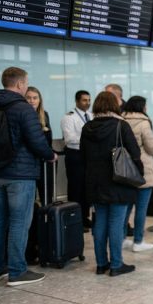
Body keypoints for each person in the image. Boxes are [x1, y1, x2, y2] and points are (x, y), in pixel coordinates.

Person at [0, 67, 57, 286]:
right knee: (20, 222)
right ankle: (17, 271)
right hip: (20, 174)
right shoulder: (23, 109)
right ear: (21, 84)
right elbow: (37, 141)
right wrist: (50, 155)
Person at [80, 92, 142, 276]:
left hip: (95, 181)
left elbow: (82, 155)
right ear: (114, 105)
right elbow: (135, 153)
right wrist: (138, 173)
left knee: (100, 221)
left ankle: (101, 263)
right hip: (118, 180)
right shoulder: (120, 125)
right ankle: (116, 264)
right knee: (116, 222)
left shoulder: (87, 127)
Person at [121, 96, 153, 252]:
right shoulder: (143, 123)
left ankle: (122, 238)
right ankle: (138, 241)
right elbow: (151, 148)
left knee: (126, 207)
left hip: (125, 168)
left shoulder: (121, 120)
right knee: (141, 208)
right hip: (143, 168)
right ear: (142, 107)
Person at [60, 90, 93, 230]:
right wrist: (88, 139)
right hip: (75, 155)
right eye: (85, 100)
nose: (88, 103)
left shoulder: (91, 116)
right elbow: (69, 139)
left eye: (89, 100)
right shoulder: (69, 117)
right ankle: (75, 219)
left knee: (86, 188)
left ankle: (85, 217)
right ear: (77, 101)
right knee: (76, 188)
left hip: (88, 155)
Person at [25, 86, 54, 206]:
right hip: (29, 162)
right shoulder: (23, 115)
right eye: (29, 98)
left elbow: (48, 139)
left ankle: (45, 221)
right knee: (29, 198)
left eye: (35, 98)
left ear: (39, 100)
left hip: (44, 161)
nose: (32, 101)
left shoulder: (44, 115)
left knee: (46, 196)